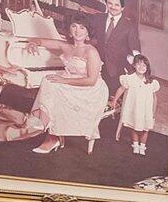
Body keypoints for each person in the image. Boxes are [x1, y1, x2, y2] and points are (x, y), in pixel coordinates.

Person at [31, 19, 109, 154]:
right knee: (48, 81)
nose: (77, 31)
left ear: (88, 33)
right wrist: (33, 43)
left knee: (55, 87)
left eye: (82, 28)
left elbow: (91, 80)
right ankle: (47, 127)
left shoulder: (91, 51)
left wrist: (63, 80)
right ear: (69, 30)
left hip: (91, 89)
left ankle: (50, 133)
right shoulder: (66, 46)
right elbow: (40, 41)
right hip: (72, 81)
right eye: (74, 26)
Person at [112, 52, 161, 156]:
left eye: (144, 65)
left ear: (147, 68)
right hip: (134, 108)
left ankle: (142, 146)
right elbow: (121, 89)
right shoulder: (129, 78)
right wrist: (115, 100)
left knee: (145, 129)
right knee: (134, 126)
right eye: (139, 64)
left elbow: (154, 97)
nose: (141, 67)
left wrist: (153, 111)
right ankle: (135, 144)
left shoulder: (151, 81)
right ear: (134, 65)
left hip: (146, 110)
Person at [94, 0, 141, 90]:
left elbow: (135, 51)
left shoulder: (129, 26)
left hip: (116, 70)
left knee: (112, 95)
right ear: (106, 4)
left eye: (117, 5)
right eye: (110, 3)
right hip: (96, 65)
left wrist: (134, 71)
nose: (113, 7)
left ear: (122, 7)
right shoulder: (98, 18)